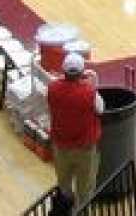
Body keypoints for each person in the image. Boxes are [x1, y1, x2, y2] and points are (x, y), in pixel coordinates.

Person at [47, 53, 103, 206]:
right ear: (81, 72)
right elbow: (100, 109)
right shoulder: (90, 92)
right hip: (85, 148)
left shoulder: (52, 89)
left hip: (60, 147)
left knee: (64, 186)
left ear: (63, 71)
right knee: (84, 189)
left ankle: (65, 210)